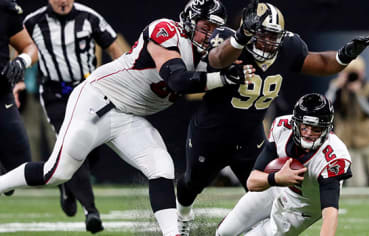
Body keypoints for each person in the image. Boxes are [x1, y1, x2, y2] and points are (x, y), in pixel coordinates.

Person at [0, 0, 247, 235]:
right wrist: (223, 78)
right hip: (97, 101)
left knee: (161, 167)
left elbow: (223, 60)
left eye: (214, 29)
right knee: (56, 173)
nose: (210, 35)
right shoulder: (166, 30)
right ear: (190, 21)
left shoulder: (207, 51)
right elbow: (179, 81)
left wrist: (240, 48)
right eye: (206, 28)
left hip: (128, 116)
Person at [175, 2, 369, 235]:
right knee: (191, 183)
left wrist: (343, 56)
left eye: (274, 36)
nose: (270, 42)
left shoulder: (287, 46)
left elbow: (320, 63)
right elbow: (217, 59)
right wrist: (240, 38)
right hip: (211, 131)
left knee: (260, 191)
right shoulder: (229, 40)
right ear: (249, 30)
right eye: (264, 35)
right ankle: (182, 219)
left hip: (250, 133)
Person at [19, 0, 124, 233]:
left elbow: (116, 49)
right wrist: (18, 81)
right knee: (74, 146)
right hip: (55, 94)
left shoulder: (89, 17)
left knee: (92, 148)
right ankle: (91, 211)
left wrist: (125, 81)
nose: (63, 1)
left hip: (88, 91)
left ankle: (65, 183)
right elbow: (18, 47)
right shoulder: (33, 21)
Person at [216, 93, 352, 236]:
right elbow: (252, 182)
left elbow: (330, 212)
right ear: (295, 123)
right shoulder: (282, 128)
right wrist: (276, 178)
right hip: (275, 186)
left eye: (316, 129)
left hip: (302, 206)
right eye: (305, 127)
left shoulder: (333, 157)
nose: (308, 133)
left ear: (327, 129)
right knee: (225, 231)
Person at [325, 56, 369, 187]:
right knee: (356, 183)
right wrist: (335, 88)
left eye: (355, 73)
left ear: (362, 73)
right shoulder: (337, 86)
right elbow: (326, 109)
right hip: (348, 140)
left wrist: (359, 94)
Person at [0, 0, 38, 196]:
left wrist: (22, 61)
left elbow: (30, 47)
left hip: (1, 96)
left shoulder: (5, 10)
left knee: (20, 168)